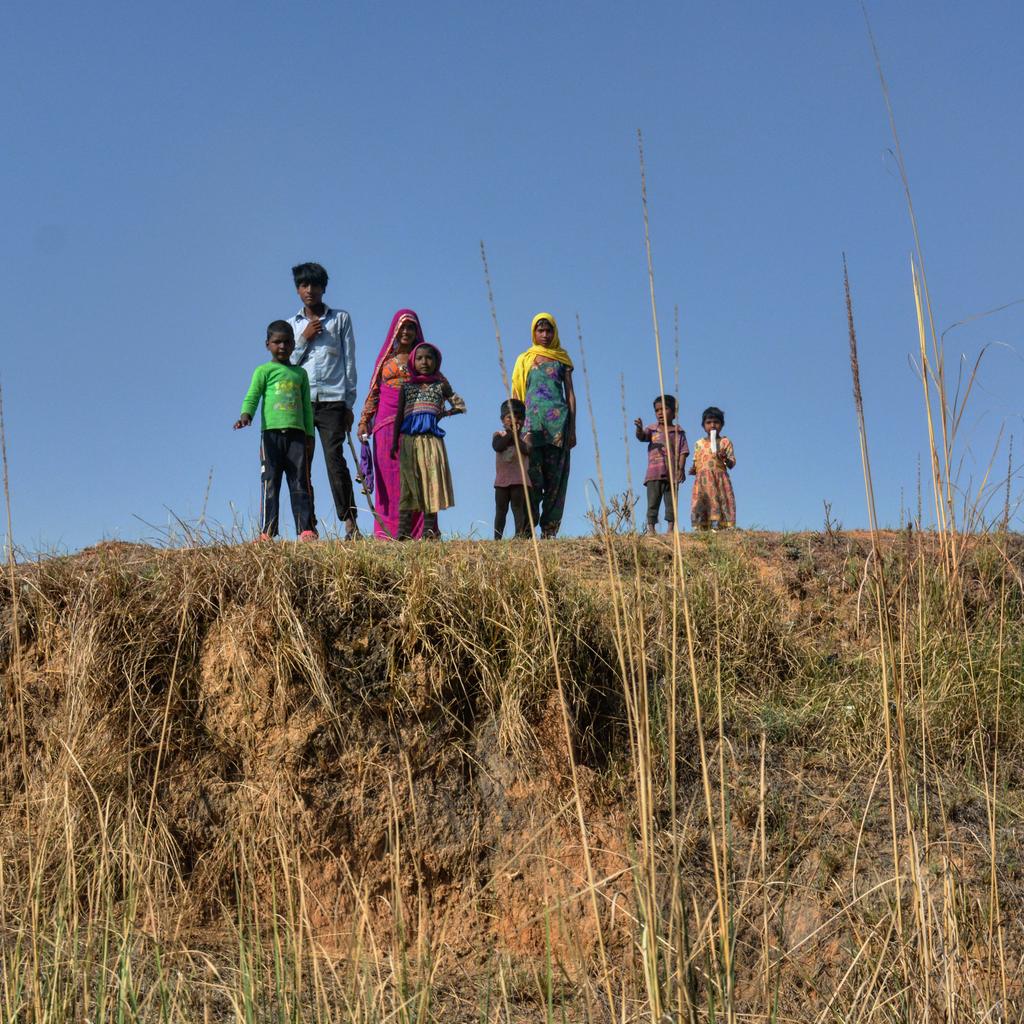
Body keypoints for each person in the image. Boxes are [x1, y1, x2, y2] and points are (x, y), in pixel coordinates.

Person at [286, 262, 360, 539]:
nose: (309, 290)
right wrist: (303, 339)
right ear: (297, 289)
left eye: (315, 285)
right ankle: (309, 526)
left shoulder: (340, 319)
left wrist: (349, 404)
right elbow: (288, 364)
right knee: (301, 464)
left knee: (335, 460)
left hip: (333, 401)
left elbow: (350, 362)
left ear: (323, 288)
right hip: (301, 403)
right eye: (304, 285)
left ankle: (350, 522)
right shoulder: (292, 326)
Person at [234, 321, 317, 541]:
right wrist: (246, 415)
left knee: (300, 481)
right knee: (270, 482)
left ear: (293, 344)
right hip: (270, 435)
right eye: (277, 342)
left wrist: (310, 435)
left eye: (287, 341)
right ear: (267, 344)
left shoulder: (300, 374)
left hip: (297, 436)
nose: (282, 346)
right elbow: (253, 395)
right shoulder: (264, 371)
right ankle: (267, 531)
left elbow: (307, 408)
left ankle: (305, 529)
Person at [357, 310, 425, 540]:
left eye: (411, 327)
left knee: (414, 477)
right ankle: (386, 534)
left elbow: (436, 388)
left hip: (413, 426)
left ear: (417, 332)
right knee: (388, 479)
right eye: (402, 327)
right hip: (385, 428)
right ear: (395, 331)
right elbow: (374, 393)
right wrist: (364, 421)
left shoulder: (423, 360)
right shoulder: (385, 362)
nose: (406, 332)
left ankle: (417, 533)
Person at [390, 343, 466, 539]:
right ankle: (403, 534)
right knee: (408, 486)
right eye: (420, 358)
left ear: (436, 362)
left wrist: (443, 414)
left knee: (431, 483)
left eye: (429, 358)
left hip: (432, 441)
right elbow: (399, 416)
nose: (424, 362)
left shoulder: (440, 386)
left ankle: (429, 532)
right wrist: (393, 442)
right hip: (409, 441)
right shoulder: (406, 387)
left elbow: (460, 405)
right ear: (413, 362)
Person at [510, 312, 576, 538]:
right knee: (530, 477)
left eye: (549, 330)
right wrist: (515, 427)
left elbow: (570, 395)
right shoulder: (525, 359)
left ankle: (549, 531)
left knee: (555, 480)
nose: (545, 335)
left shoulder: (562, 359)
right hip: (532, 425)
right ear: (533, 333)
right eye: (540, 330)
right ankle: (526, 528)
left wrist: (573, 429)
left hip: (559, 426)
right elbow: (518, 394)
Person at [634, 394, 689, 534]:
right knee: (653, 502)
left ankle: (671, 528)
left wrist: (681, 469)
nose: (660, 413)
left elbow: (683, 451)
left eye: (664, 409)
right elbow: (641, 437)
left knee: (671, 502)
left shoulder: (678, 432)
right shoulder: (652, 429)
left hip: (672, 473)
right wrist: (639, 429)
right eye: (657, 410)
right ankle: (651, 528)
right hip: (654, 473)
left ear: (674, 412)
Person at [689, 406, 736, 531]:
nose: (712, 425)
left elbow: (731, 464)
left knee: (719, 499)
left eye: (716, 422)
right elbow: (696, 461)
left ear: (722, 425)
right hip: (703, 480)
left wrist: (724, 458)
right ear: (703, 425)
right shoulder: (698, 443)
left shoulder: (725, 442)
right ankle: (702, 527)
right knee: (703, 501)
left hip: (718, 478)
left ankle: (718, 525)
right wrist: (693, 469)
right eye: (708, 423)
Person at [492, 398, 532, 539]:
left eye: (519, 418)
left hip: (519, 480)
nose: (515, 421)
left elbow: (527, 449)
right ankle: (497, 537)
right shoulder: (498, 435)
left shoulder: (526, 436)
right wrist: (510, 433)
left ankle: (519, 535)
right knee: (501, 510)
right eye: (510, 417)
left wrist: (515, 435)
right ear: (503, 420)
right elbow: (497, 446)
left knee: (517, 507)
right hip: (501, 481)